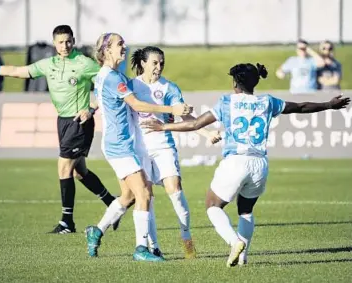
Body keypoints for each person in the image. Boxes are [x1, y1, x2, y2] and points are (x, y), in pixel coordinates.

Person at [141, 63, 350, 267]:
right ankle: (243, 259)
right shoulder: (268, 102)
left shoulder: (227, 102)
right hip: (259, 164)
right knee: (246, 210)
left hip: (236, 161)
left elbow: (195, 124)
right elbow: (301, 107)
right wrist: (328, 105)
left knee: (213, 205)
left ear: (235, 83)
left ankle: (234, 242)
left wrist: (163, 126)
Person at [0, 25, 117, 234]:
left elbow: (109, 84)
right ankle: (113, 203)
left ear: (73, 40)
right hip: (62, 121)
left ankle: (66, 222)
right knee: (80, 172)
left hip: (79, 122)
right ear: (54, 43)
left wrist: (91, 108)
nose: (65, 46)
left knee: (63, 168)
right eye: (60, 42)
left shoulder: (84, 64)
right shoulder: (48, 64)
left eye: (68, 41)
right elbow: (18, 71)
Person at [85, 33, 192, 261]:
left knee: (129, 196)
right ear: (107, 50)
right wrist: (170, 111)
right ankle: (141, 249)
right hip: (120, 145)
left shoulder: (109, 76)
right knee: (144, 192)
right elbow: (136, 103)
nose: (124, 47)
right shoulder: (114, 78)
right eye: (119, 44)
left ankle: (97, 230)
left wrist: (90, 109)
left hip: (121, 144)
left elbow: (101, 99)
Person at [125, 46, 221, 259]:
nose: (159, 67)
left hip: (163, 145)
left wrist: (206, 134)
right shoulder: (131, 86)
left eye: (161, 63)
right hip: (138, 149)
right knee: (145, 196)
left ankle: (186, 237)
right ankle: (153, 245)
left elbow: (184, 116)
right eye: (154, 63)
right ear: (143, 63)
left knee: (175, 190)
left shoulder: (168, 87)